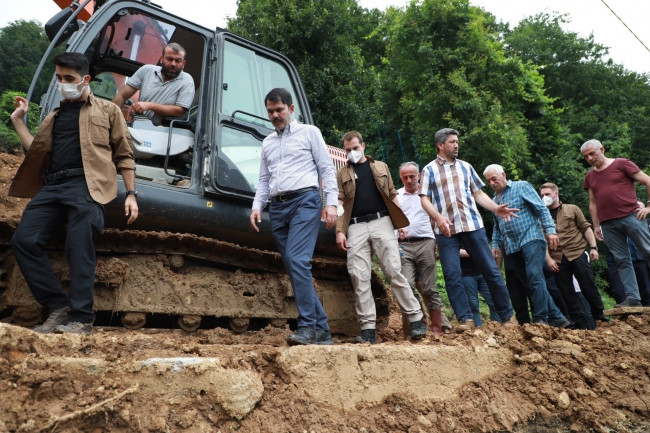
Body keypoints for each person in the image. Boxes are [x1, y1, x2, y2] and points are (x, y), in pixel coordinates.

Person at [9, 52, 138, 335]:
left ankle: (81, 319)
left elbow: (124, 155)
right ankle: (58, 305)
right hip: (53, 186)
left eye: (70, 78)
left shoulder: (108, 111)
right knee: (23, 240)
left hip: (86, 185)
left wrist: (131, 194)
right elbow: (37, 155)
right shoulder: (54, 116)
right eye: (59, 78)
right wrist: (19, 122)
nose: (63, 83)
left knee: (79, 244)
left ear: (85, 79)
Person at [250, 88, 337, 346]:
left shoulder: (310, 133)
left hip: (304, 202)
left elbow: (326, 169)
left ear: (291, 108)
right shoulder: (267, 142)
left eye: (279, 109)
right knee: (294, 266)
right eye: (270, 111)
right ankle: (321, 331)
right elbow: (264, 179)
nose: (275, 115)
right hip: (277, 207)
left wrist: (330, 204)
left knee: (298, 260)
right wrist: (257, 206)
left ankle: (307, 326)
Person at [419, 128, 517, 330]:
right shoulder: (429, 170)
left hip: (472, 225)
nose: (456, 145)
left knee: (491, 270)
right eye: (452, 142)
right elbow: (424, 199)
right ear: (440, 145)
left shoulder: (466, 167)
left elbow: (478, 194)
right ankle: (465, 319)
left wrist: (495, 208)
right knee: (452, 275)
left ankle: (508, 317)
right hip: (447, 231)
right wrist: (438, 218)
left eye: (457, 142)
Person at [335, 132, 427, 344]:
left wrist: (400, 224)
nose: (352, 153)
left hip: (382, 222)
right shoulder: (341, 173)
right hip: (355, 226)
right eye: (348, 150)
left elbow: (393, 194)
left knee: (393, 270)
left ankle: (415, 319)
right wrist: (340, 231)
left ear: (363, 146)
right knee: (358, 275)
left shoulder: (380, 167)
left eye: (355, 148)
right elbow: (340, 203)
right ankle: (368, 329)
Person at [483, 164, 570, 327]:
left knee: (534, 275)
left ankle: (541, 319)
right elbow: (497, 226)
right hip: (512, 246)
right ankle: (557, 316)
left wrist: (550, 230)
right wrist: (495, 244)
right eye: (488, 181)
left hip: (531, 238)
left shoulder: (521, 186)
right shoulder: (494, 201)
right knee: (529, 282)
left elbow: (541, 209)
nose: (492, 183)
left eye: (494, 178)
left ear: (503, 174)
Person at [581, 139, 650, 307]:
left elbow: (648, 180)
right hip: (608, 224)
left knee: (648, 251)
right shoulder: (590, 176)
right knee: (622, 260)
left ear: (602, 149)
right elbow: (592, 202)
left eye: (592, 153)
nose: (590, 158)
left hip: (632, 216)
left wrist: (649, 207)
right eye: (586, 156)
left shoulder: (621, 164)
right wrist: (596, 225)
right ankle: (633, 298)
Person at [396, 161, 452, 336]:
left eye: (412, 176)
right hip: (403, 244)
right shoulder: (396, 196)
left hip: (426, 242)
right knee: (407, 285)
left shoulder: (428, 195)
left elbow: (438, 219)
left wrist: (437, 241)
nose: (409, 180)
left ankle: (437, 328)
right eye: (405, 177)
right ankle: (418, 324)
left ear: (419, 176)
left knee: (429, 287)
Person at [540, 182, 604, 325]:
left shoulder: (572, 209)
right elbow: (542, 240)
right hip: (557, 258)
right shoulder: (540, 216)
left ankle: (600, 316)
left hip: (577, 251)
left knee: (588, 286)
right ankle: (579, 322)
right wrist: (548, 259)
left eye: (547, 194)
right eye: (542, 195)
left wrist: (593, 247)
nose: (544, 197)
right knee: (566, 292)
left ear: (556, 194)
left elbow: (586, 228)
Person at [112, 42, 195, 124]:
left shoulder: (187, 81)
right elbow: (122, 95)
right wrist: (112, 121)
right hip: (137, 126)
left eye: (178, 61)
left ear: (183, 64)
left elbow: (179, 111)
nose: (173, 64)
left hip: (164, 134)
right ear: (162, 59)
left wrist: (150, 106)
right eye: (169, 59)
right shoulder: (146, 70)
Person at [459, 247, 501, 326]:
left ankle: (497, 327)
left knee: (493, 301)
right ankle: (478, 329)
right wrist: (476, 252)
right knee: (473, 305)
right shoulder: (456, 236)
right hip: (467, 275)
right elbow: (455, 251)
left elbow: (489, 247)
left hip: (484, 273)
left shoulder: (478, 235)